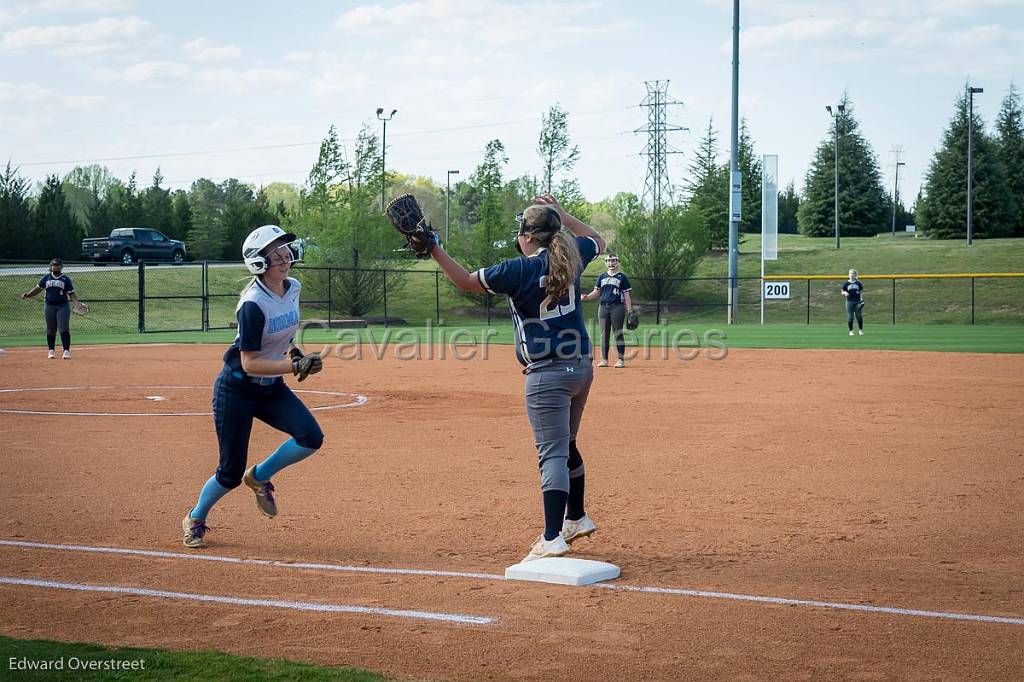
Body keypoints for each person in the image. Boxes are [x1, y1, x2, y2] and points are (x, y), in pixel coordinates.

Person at [429, 193, 606, 562]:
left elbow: (463, 281)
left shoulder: (518, 269)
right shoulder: (573, 255)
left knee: (553, 452)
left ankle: (552, 536)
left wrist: (433, 247)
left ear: (526, 236)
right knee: (566, 443)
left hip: (548, 374)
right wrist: (565, 215)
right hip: (581, 369)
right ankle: (576, 517)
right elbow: (599, 240)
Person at [182, 225, 325, 549]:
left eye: (285, 249)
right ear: (259, 261)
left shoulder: (293, 288)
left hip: (270, 387)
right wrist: (294, 366)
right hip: (237, 390)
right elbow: (248, 362)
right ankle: (195, 517)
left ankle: (259, 476)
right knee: (229, 473)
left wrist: (295, 354)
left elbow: (284, 336)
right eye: (274, 253)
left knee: (310, 437)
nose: (284, 256)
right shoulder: (253, 304)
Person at [21, 258, 83, 359]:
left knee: (63, 328)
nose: (55, 267)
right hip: (49, 306)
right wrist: (28, 295)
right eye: (53, 265)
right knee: (50, 329)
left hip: (62, 306)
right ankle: (51, 351)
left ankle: (66, 351)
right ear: (51, 267)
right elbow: (38, 289)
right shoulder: (46, 278)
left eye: (57, 265)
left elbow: (71, 293)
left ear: (61, 267)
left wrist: (76, 303)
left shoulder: (65, 279)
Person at [582, 253, 633, 368]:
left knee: (618, 333)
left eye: (613, 261)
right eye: (609, 261)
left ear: (617, 262)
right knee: (604, 334)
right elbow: (596, 292)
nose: (611, 263)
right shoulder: (602, 277)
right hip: (603, 307)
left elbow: (627, 295)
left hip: (617, 307)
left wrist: (629, 310)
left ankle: (620, 360)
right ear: (605, 263)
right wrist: (587, 297)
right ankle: (604, 360)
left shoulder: (622, 277)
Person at [842, 268, 865, 336]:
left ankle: (860, 330)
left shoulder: (858, 283)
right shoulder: (846, 283)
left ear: (855, 275)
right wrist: (844, 293)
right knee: (850, 317)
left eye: (853, 273)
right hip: (849, 302)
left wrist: (862, 300)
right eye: (850, 273)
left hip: (857, 301)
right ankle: (851, 331)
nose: (852, 275)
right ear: (849, 275)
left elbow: (861, 292)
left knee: (859, 316)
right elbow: (842, 291)